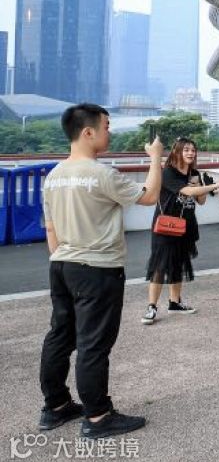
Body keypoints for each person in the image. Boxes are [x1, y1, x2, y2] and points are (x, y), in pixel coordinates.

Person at [39, 104, 164, 439]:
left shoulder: (54, 176)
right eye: (106, 126)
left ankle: (55, 406)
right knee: (93, 344)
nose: (110, 132)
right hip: (97, 268)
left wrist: (65, 259)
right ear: (88, 132)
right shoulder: (101, 174)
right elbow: (150, 195)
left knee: (60, 336)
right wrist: (155, 157)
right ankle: (97, 417)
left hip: (61, 264)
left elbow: (51, 228)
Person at [141, 138, 219, 325]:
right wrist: (214, 186)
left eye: (193, 150)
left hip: (185, 225)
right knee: (160, 265)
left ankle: (175, 302)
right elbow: (187, 192)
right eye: (186, 150)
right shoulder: (168, 172)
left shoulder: (194, 173)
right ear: (176, 152)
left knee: (178, 263)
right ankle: (151, 307)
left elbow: (200, 201)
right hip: (165, 226)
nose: (190, 153)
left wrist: (201, 187)